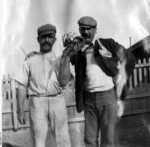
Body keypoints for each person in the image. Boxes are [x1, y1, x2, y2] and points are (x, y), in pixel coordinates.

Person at [60, 16, 135, 147]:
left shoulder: (107, 44)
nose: (86, 32)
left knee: (108, 139)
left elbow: (130, 58)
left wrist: (119, 71)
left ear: (96, 30)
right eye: (83, 29)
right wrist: (67, 50)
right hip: (88, 98)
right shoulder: (78, 49)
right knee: (89, 140)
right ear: (79, 30)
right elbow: (68, 66)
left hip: (107, 97)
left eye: (89, 29)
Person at [15, 24, 71, 147]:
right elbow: (22, 86)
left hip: (57, 100)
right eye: (43, 37)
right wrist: (20, 109)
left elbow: (65, 81)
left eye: (50, 37)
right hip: (37, 102)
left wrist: (66, 57)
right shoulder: (29, 60)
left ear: (54, 39)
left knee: (63, 140)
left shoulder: (61, 58)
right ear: (38, 39)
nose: (46, 40)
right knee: (38, 141)